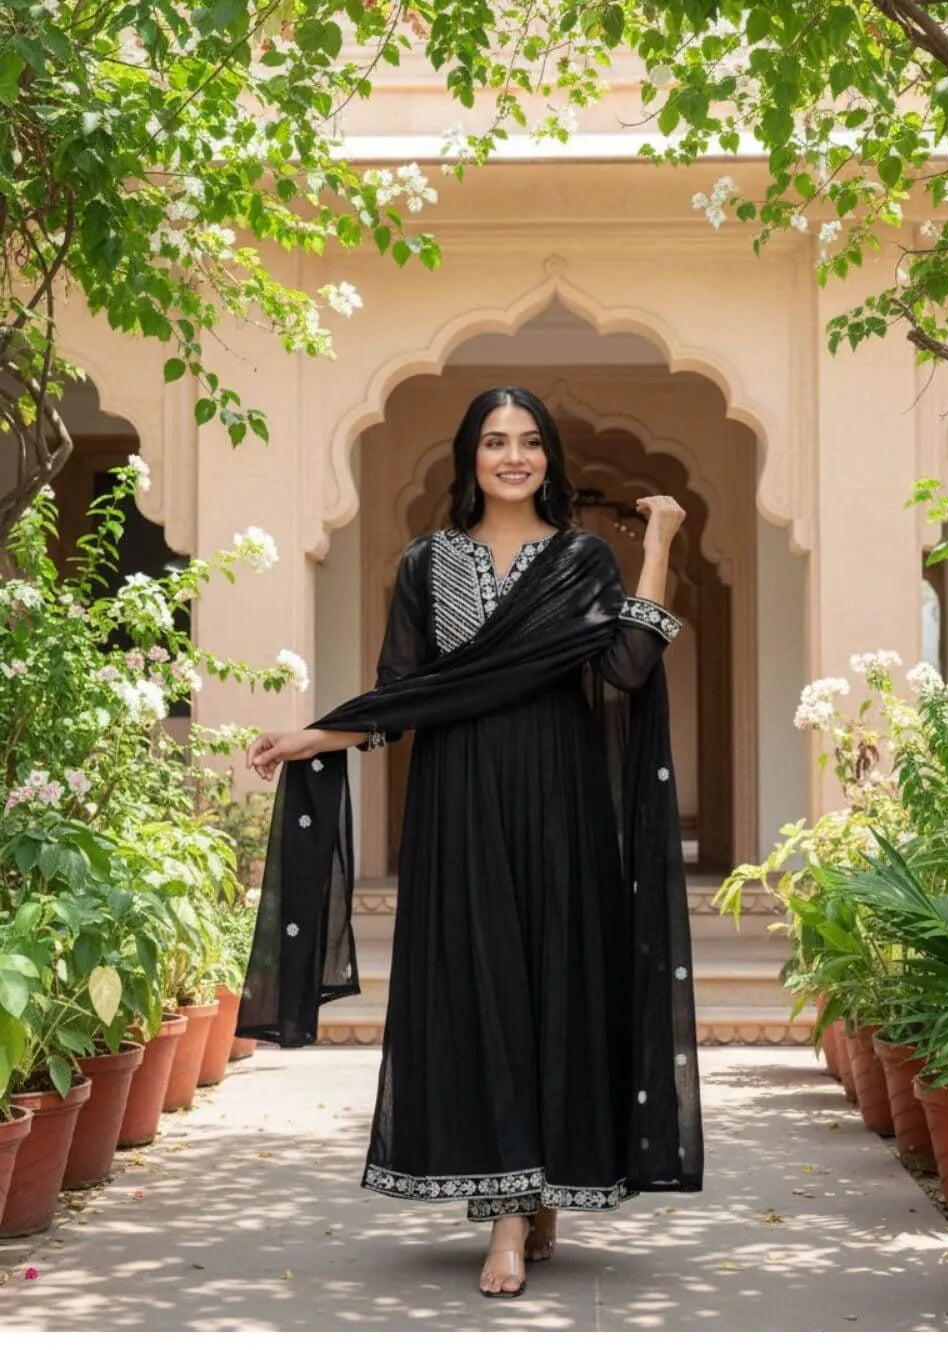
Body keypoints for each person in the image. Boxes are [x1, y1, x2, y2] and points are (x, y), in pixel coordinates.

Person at [237, 386, 704, 1299]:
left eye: (529, 442)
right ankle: (508, 1206)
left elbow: (628, 668)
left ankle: (525, 1203)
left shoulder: (582, 560)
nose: (513, 456)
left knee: (553, 980)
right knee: (484, 982)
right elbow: (404, 694)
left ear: (550, 459)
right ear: (471, 458)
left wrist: (659, 545)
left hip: (561, 797)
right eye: (495, 442)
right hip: (458, 800)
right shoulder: (427, 563)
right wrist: (312, 735)